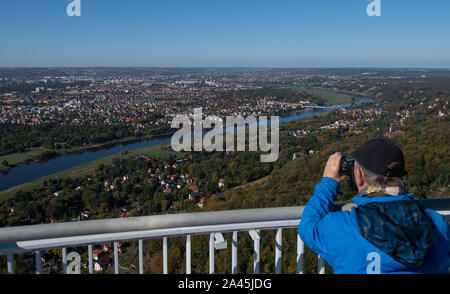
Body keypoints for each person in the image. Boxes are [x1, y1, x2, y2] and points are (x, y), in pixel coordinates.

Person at [298, 138, 450, 274]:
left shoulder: (343, 227)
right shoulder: (436, 224)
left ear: (359, 175)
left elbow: (308, 227)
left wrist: (328, 182)